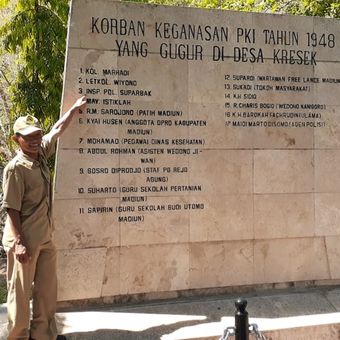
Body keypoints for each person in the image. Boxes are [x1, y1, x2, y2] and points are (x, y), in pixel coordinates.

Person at [1, 96, 86, 340]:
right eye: (28, 137)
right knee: (20, 292)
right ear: (17, 139)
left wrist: (74, 109)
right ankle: (17, 336)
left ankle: (42, 335)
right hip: (24, 237)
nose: (35, 140)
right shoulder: (16, 168)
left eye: (37, 134)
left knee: (47, 291)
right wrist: (18, 242)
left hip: (45, 236)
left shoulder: (40, 153)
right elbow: (11, 208)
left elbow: (57, 129)